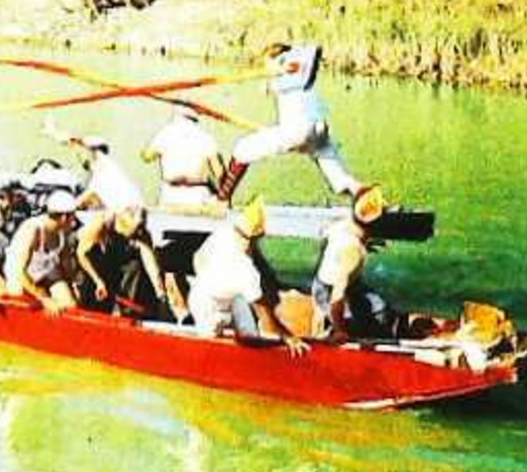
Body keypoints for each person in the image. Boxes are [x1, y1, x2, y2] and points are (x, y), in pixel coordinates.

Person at [221, 44, 363, 198]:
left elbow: (311, 52)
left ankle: (222, 199)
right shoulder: (294, 78)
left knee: (242, 149)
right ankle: (365, 198)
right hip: (319, 132)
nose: (266, 69)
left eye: (267, 63)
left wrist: (279, 69)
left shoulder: (288, 69)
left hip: (296, 131)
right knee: (340, 179)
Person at [188, 197, 307, 354]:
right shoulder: (247, 271)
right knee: (211, 349)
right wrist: (288, 337)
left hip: (219, 296)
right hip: (206, 305)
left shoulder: (223, 233)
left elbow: (198, 258)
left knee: (249, 335)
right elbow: (265, 317)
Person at [312, 186, 397, 339]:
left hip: (328, 282)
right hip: (330, 293)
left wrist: (364, 243)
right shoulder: (352, 252)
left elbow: (325, 238)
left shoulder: (342, 225)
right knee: (381, 313)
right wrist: (340, 330)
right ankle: (348, 332)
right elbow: (337, 296)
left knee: (380, 304)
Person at [73, 206, 171, 318]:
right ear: (122, 222)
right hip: (87, 259)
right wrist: (98, 281)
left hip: (110, 257)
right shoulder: (99, 225)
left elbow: (151, 263)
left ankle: (126, 311)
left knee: (134, 265)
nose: (136, 236)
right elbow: (81, 255)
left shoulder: (139, 232)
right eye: (133, 232)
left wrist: (161, 294)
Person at [3, 189, 81, 314]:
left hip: (45, 272)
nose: (75, 220)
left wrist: (73, 286)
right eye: (73, 215)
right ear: (64, 217)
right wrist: (44, 298)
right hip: (20, 274)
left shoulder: (63, 232)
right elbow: (19, 271)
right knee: (24, 298)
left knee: (70, 305)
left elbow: (66, 266)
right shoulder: (33, 229)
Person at [41, 121, 144, 211]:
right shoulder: (107, 165)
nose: (78, 156)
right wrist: (53, 132)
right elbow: (72, 143)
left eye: (80, 152)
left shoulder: (102, 174)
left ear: (92, 153)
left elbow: (77, 204)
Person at [142, 111, 223, 209]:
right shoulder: (206, 137)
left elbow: (146, 157)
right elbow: (219, 173)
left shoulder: (165, 133)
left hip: (170, 195)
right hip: (197, 196)